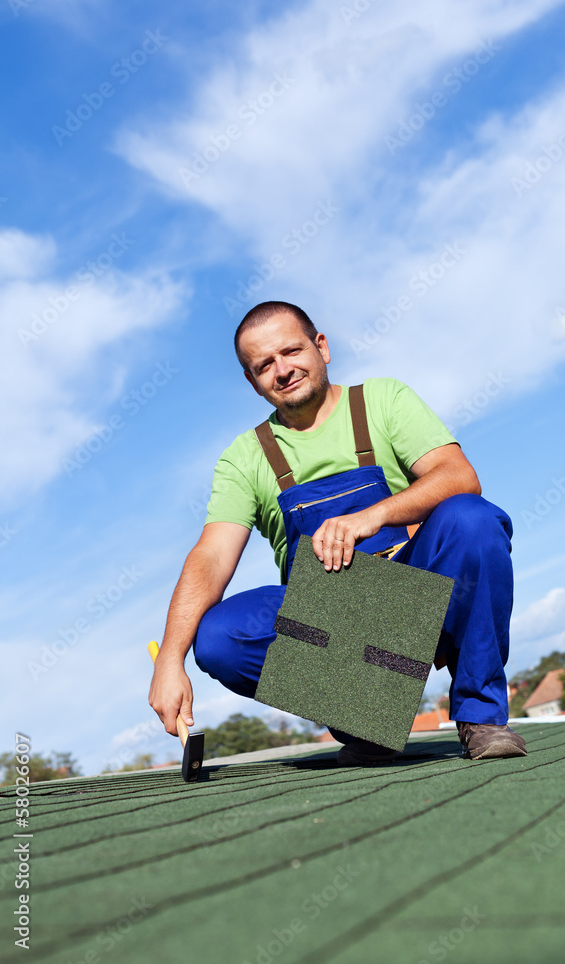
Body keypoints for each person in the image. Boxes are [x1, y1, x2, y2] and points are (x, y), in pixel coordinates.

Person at [148, 301, 527, 765]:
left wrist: (374, 516)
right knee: (218, 637)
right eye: (264, 365)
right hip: (335, 627)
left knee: (472, 519)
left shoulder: (382, 401)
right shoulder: (245, 458)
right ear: (252, 381)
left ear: (321, 347)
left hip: (421, 594)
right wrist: (171, 660)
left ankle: (481, 716)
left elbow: (458, 476)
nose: (282, 370)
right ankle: (362, 713)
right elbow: (210, 556)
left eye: (291, 351)